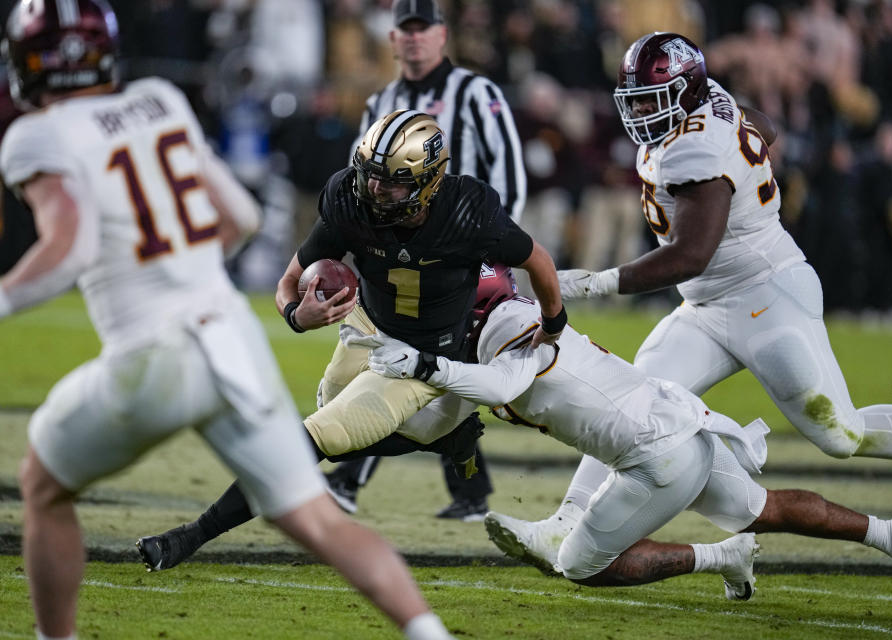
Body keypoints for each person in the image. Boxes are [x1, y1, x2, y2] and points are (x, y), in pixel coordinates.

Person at [0, 2, 456, 639]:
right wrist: (177, 266)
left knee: (43, 486)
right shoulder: (159, 98)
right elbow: (240, 217)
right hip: (230, 342)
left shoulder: (35, 133)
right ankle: (428, 632)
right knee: (321, 524)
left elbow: (68, 247)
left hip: (152, 354)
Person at [487, 31, 892, 566]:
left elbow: (691, 255)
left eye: (651, 98)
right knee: (632, 400)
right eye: (635, 99)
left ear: (685, 91)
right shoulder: (710, 102)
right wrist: (737, 137)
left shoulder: (695, 146)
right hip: (707, 306)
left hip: (766, 294)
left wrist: (597, 282)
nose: (641, 111)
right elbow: (769, 126)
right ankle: (564, 523)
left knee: (840, 433)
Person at [361, 267, 892, 608]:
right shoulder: (498, 331)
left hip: (658, 457)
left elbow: (497, 382)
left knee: (581, 566)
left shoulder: (513, 334)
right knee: (760, 508)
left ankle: (719, 555)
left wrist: (420, 364)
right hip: (676, 423)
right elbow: (445, 417)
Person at [134, 112, 562, 569]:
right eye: (371, 175)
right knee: (331, 414)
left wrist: (554, 322)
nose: (375, 190)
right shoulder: (349, 200)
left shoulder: (466, 212)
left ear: (429, 182)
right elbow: (289, 281)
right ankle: (444, 437)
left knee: (315, 439)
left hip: (422, 354)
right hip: (367, 326)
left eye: (392, 183)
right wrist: (298, 315)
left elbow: (536, 257)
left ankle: (189, 537)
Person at [325, 0, 528, 522]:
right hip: (395, 254)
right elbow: (361, 182)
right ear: (392, 39)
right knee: (417, 366)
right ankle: (469, 489)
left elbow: (508, 174)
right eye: (405, 29)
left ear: (442, 35)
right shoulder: (381, 99)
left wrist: (492, 255)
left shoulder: (476, 92)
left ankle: (348, 479)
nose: (414, 39)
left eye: (423, 28)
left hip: (465, 256)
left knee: (425, 364)